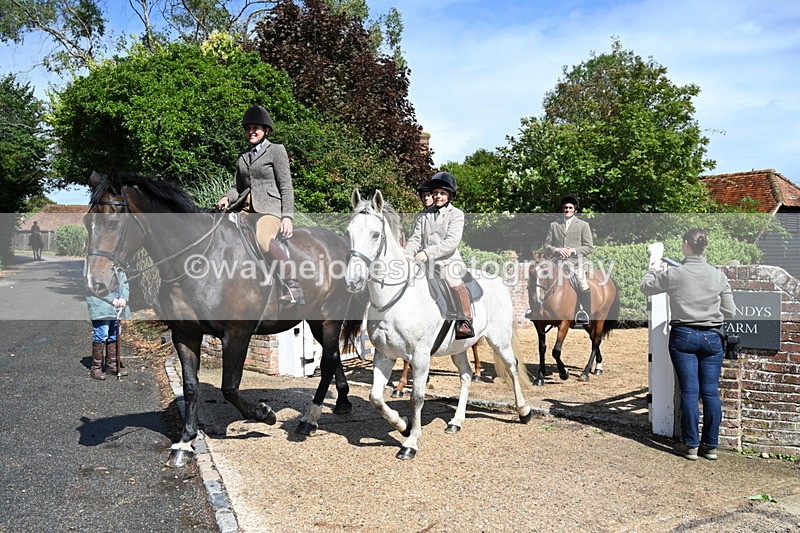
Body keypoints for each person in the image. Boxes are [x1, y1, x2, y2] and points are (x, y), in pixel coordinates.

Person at [640, 228, 735, 461]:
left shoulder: (676, 274)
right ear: (704, 247)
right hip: (713, 337)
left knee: (690, 391)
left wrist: (652, 269)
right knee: (711, 392)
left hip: (684, 335)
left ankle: (690, 444)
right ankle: (710, 446)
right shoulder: (718, 276)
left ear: (686, 245)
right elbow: (730, 311)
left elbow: (646, 287)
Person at [216, 105, 302, 306]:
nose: (251, 131)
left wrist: (287, 216)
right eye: (248, 128)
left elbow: (286, 186)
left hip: (269, 210)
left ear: (266, 131)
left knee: (264, 240)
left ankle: (292, 285)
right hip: (243, 210)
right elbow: (236, 187)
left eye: (256, 128)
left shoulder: (276, 151)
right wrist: (226, 198)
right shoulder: (243, 156)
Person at [404, 171, 473, 339]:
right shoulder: (424, 215)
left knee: (453, 280)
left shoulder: (456, 214)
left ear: (449, 195)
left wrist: (427, 253)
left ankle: (465, 321)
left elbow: (451, 242)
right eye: (435, 193)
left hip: (448, 261)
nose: (438, 196)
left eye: (442, 193)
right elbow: (415, 238)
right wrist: (407, 254)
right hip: (424, 262)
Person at [543, 194, 594, 326]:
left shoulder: (583, 225)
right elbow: (546, 245)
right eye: (565, 207)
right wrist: (557, 250)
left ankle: (584, 313)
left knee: (582, 281)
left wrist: (572, 251)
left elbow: (589, 247)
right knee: (540, 277)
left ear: (575, 210)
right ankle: (536, 310)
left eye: (570, 207)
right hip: (556, 262)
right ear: (562, 209)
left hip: (577, 263)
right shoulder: (554, 225)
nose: (567, 210)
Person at [86, 268, 131, 380]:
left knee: (114, 334)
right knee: (102, 334)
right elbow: (95, 286)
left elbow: (124, 282)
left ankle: (112, 365)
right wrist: (112, 299)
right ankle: (96, 368)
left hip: (116, 306)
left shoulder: (117, 263)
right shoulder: (94, 262)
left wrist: (124, 298)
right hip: (101, 304)